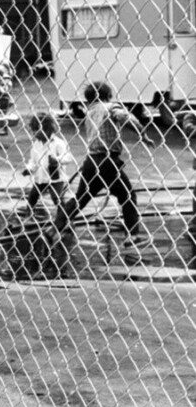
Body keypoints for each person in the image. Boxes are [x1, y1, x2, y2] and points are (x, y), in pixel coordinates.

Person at [51, 81, 156, 279]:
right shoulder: (110, 106)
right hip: (108, 160)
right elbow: (126, 117)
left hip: (92, 160)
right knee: (127, 194)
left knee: (81, 198)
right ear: (108, 94)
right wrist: (142, 133)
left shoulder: (90, 111)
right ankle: (132, 236)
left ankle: (55, 227)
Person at [22, 112, 74, 214]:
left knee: (56, 198)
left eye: (37, 130)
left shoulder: (58, 143)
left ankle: (64, 217)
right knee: (32, 196)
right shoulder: (36, 144)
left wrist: (57, 159)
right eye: (33, 130)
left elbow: (68, 157)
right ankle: (29, 214)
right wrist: (29, 169)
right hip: (40, 178)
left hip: (56, 178)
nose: (34, 133)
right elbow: (33, 161)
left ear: (48, 129)